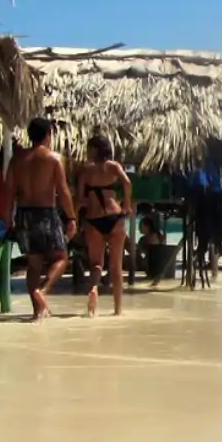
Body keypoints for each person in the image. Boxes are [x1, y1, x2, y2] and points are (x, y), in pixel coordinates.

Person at [8, 119, 75, 320]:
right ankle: (43, 292)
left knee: (34, 264)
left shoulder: (17, 160)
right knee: (62, 258)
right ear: (48, 135)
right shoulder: (54, 159)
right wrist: (71, 217)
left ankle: (38, 311)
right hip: (45, 212)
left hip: (24, 213)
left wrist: (6, 219)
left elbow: (8, 191)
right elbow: (63, 191)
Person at [74, 134, 132, 317]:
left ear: (95, 149)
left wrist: (74, 219)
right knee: (116, 266)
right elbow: (127, 183)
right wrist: (127, 205)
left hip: (94, 219)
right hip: (115, 217)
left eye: (89, 148)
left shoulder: (85, 171)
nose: (87, 151)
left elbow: (79, 198)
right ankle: (117, 310)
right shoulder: (113, 167)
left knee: (96, 264)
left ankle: (93, 289)